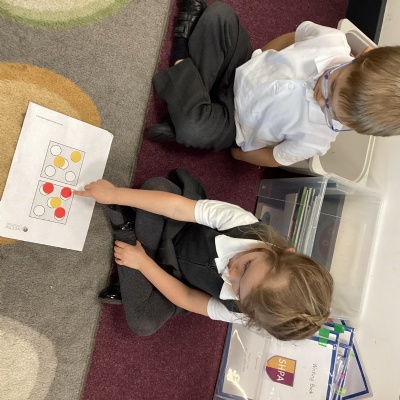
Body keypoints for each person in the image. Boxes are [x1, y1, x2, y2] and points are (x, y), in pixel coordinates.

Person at [74, 169, 333, 341]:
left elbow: (187, 297)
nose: (231, 273)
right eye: (246, 265)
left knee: (143, 323)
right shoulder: (243, 224)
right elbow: (177, 208)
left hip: (178, 278)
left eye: (238, 290)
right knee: (158, 188)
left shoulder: (242, 313)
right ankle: (132, 270)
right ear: (282, 252)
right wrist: (116, 194)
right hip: (176, 229)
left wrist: (143, 265)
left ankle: (127, 236)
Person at [147, 1, 400, 167]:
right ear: (362, 55)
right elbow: (294, 37)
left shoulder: (316, 140)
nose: (321, 98)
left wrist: (238, 152)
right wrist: (260, 55)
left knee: (194, 128)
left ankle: (182, 55)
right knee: (220, 15)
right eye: (332, 85)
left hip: (235, 123)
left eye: (332, 114)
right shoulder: (331, 40)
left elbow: (274, 157)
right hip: (242, 67)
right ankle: (187, 104)